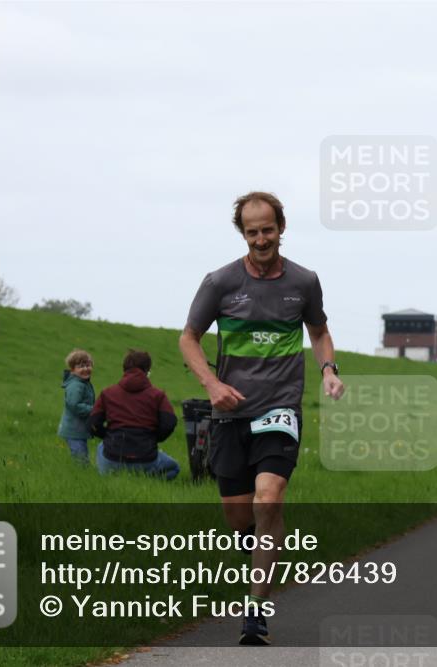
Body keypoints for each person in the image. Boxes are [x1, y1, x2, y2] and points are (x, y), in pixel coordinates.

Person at [179, 191, 345, 646]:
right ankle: (263, 543)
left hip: (280, 408)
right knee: (239, 517)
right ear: (242, 233)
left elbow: (319, 331)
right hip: (230, 412)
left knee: (269, 497)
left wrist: (329, 370)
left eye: (267, 230)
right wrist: (212, 385)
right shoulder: (220, 283)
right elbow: (189, 338)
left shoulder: (305, 282)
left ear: (281, 228)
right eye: (252, 232)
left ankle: (255, 612)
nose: (260, 239)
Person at [87, 349, 180, 480]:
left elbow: (92, 424)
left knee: (101, 447)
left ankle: (111, 478)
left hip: (112, 457)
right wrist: (155, 438)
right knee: (174, 468)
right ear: (147, 370)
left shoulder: (107, 393)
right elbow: (169, 423)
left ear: (124, 368)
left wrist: (107, 435)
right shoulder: (158, 395)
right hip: (146, 458)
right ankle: (147, 482)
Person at [57, 349, 96, 465]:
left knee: (81, 454)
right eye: (81, 366)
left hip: (79, 428)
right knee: (80, 458)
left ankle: (83, 472)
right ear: (72, 369)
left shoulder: (83, 383)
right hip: (74, 430)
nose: (85, 368)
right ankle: (82, 474)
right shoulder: (76, 385)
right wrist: (94, 410)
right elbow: (75, 405)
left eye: (88, 365)